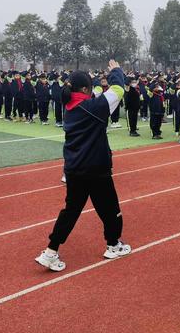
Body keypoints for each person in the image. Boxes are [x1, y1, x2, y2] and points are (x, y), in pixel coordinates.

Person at [35, 60, 131, 272]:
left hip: (74, 169)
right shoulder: (92, 107)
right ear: (85, 89)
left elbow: (97, 93)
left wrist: (97, 82)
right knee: (110, 209)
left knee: (70, 211)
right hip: (96, 169)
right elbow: (117, 90)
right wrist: (116, 71)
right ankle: (114, 245)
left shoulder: (70, 107)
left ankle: (50, 251)